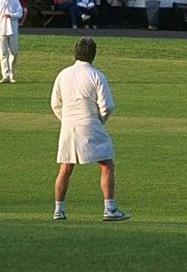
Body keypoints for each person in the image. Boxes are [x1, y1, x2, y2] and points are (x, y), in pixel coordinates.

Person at [51, 38, 130, 222]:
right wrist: (99, 120)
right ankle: (109, 208)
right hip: (90, 123)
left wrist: (66, 119)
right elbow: (107, 106)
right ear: (94, 54)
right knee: (106, 164)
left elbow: (55, 104)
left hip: (68, 126)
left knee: (66, 166)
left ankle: (58, 210)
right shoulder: (96, 75)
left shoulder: (63, 74)